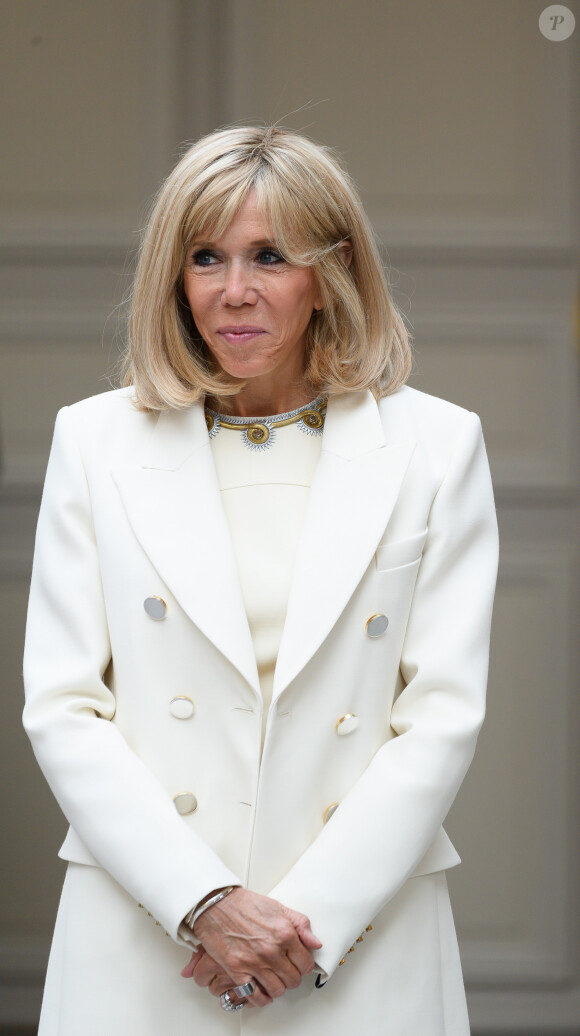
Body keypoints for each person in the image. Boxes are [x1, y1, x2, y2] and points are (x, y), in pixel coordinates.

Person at [23, 124, 498, 1036]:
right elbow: (63, 705)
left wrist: (296, 929)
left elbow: (442, 715)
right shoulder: (93, 442)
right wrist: (204, 900)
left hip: (356, 940)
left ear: (332, 271)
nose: (233, 291)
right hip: (147, 937)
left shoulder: (437, 447)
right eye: (206, 257)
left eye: (270, 256)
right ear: (174, 275)